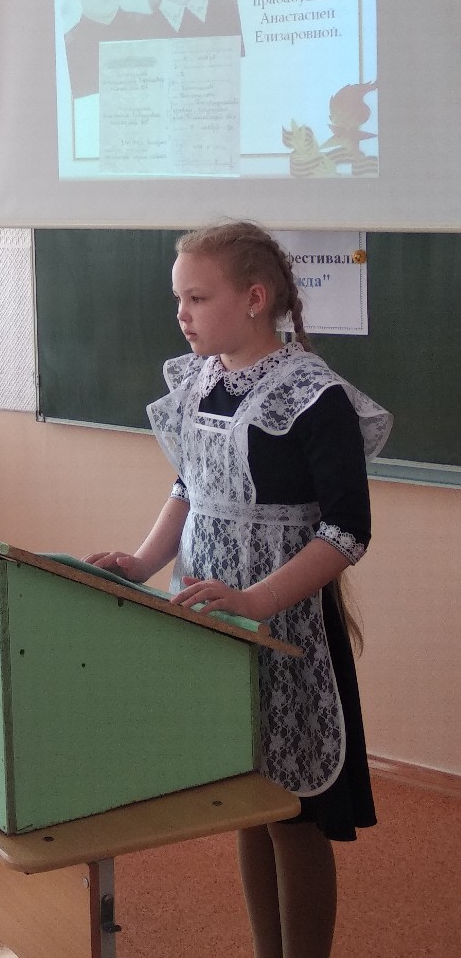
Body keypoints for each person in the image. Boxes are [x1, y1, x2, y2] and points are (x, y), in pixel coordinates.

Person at [86, 220, 391, 958]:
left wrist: (256, 602)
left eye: (197, 297)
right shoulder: (198, 380)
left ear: (255, 299)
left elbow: (347, 531)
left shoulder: (315, 397)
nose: (181, 314)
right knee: (247, 803)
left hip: (290, 635)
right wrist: (145, 560)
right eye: (178, 298)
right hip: (216, 628)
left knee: (294, 815)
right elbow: (189, 484)